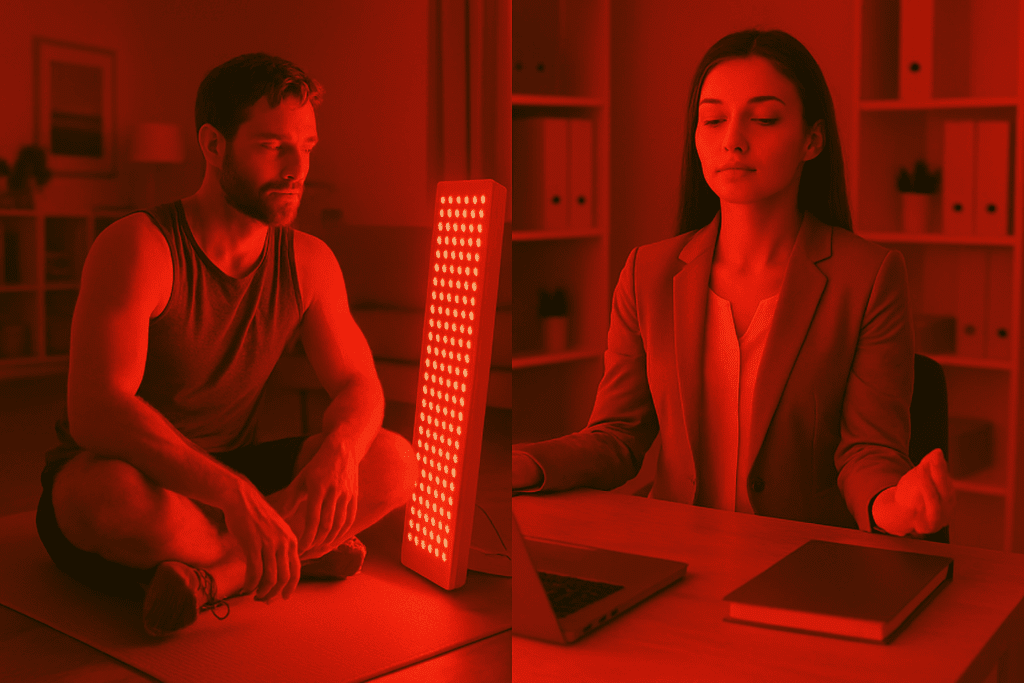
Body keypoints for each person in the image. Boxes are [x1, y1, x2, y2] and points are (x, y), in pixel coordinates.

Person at [511, 30, 956, 539]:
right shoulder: (647, 272)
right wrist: (524, 464)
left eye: (763, 119)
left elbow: (867, 452)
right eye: (713, 119)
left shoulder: (869, 277)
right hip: (676, 553)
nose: (733, 140)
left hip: (800, 557)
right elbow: (617, 437)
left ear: (812, 140)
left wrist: (892, 506)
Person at [35, 53, 418, 637]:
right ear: (214, 145)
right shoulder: (139, 246)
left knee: (393, 461)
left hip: (233, 479)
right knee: (105, 495)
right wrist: (232, 494)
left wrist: (340, 452)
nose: (297, 168)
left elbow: (358, 383)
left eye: (307, 146)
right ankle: (289, 551)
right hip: (138, 478)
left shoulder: (310, 261)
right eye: (272, 146)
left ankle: (220, 574)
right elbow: (97, 410)